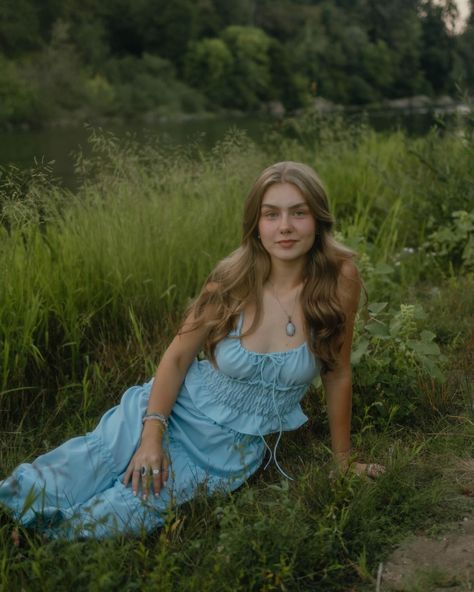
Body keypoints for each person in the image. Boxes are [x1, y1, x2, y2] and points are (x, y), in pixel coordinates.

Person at [0, 161, 383, 540]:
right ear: (256, 224)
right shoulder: (231, 281)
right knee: (62, 478)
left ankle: (36, 540)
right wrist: (152, 436)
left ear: (317, 219)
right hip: (169, 411)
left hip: (227, 452)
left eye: (298, 213)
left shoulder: (339, 279)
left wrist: (342, 460)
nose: (285, 226)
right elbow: (178, 357)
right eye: (272, 214)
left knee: (120, 513)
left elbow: (337, 372)